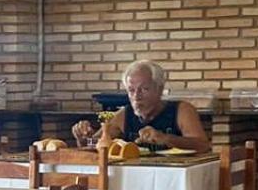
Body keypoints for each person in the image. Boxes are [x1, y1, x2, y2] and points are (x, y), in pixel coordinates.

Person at [72, 60, 211, 152]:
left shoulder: (182, 110)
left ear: (159, 89)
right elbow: (97, 144)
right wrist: (83, 138)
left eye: (144, 89)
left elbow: (203, 146)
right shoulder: (124, 115)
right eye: (131, 90)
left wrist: (165, 139)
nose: (136, 96)